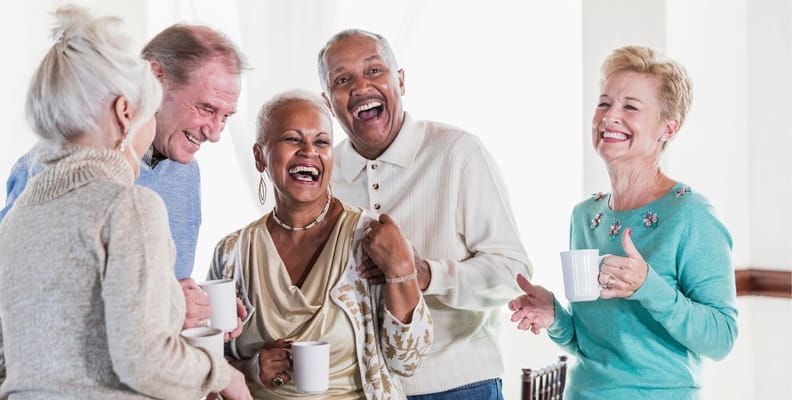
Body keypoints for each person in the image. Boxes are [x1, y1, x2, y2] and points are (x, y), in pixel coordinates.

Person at [0, 6, 252, 399]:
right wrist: (223, 374)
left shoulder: (29, 209)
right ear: (134, 102)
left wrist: (191, 306)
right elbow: (34, 319)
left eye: (226, 116)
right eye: (206, 108)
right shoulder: (120, 202)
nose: (216, 133)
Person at [508, 46, 738, 399]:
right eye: (604, 104)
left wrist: (648, 285)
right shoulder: (585, 216)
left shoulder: (691, 215)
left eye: (630, 106)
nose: (609, 116)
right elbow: (590, 343)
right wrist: (555, 316)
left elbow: (722, 338)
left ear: (668, 128)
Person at [317, 29, 532, 399]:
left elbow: (514, 275)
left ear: (400, 80)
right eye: (342, 79)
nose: (360, 87)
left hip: (460, 385)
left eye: (374, 71)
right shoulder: (325, 176)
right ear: (327, 102)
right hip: (358, 389)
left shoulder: (458, 153)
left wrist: (426, 273)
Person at [208, 89, 433, 399]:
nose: (308, 152)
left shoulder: (369, 238)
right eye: (292, 139)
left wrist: (402, 270)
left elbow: (407, 362)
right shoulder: (231, 253)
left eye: (322, 142)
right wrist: (250, 369)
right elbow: (204, 360)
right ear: (260, 156)